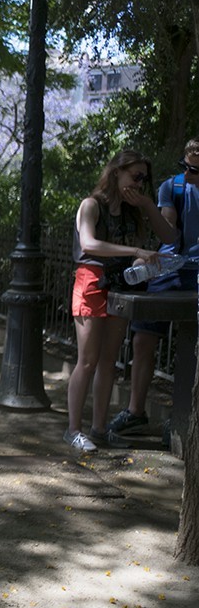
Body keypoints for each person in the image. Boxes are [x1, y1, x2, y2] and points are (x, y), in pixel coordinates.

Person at [66, 151, 177, 453]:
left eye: (144, 178)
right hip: (91, 281)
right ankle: (74, 430)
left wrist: (148, 205)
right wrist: (134, 251)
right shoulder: (92, 205)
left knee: (108, 363)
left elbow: (169, 235)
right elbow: (88, 243)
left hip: (120, 286)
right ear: (117, 172)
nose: (140, 183)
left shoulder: (133, 210)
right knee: (87, 361)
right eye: (135, 176)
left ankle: (99, 429)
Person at [110, 139, 199, 441]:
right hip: (171, 268)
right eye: (184, 167)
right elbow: (169, 231)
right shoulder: (171, 188)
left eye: (194, 170)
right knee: (143, 337)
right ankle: (135, 412)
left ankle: (186, 418)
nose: (187, 174)